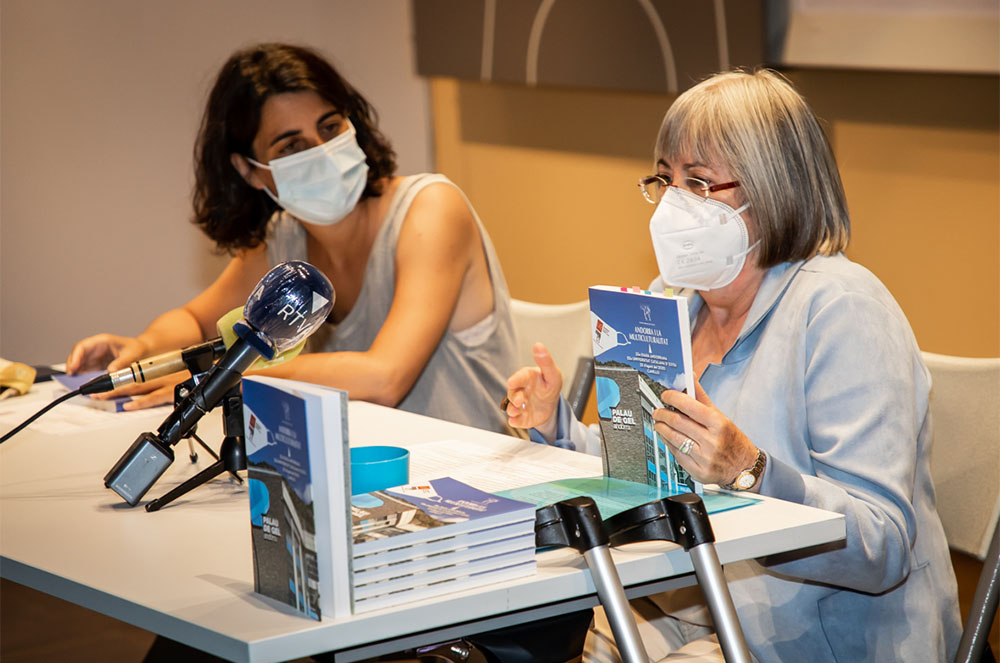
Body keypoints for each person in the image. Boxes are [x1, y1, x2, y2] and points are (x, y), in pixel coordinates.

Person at [504, 69, 961, 661]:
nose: (673, 204)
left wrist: (751, 471)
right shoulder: (670, 301)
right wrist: (555, 425)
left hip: (805, 634)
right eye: (665, 180)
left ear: (772, 190)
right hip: (681, 597)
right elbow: (644, 469)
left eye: (698, 183)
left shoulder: (842, 310)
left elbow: (882, 546)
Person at [66, 43, 518, 435]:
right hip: (367, 475)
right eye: (291, 146)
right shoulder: (284, 236)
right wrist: (144, 349)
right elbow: (198, 321)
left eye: (330, 127)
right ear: (248, 170)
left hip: (477, 485)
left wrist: (228, 376)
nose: (321, 151)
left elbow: (385, 378)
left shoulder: (432, 209)